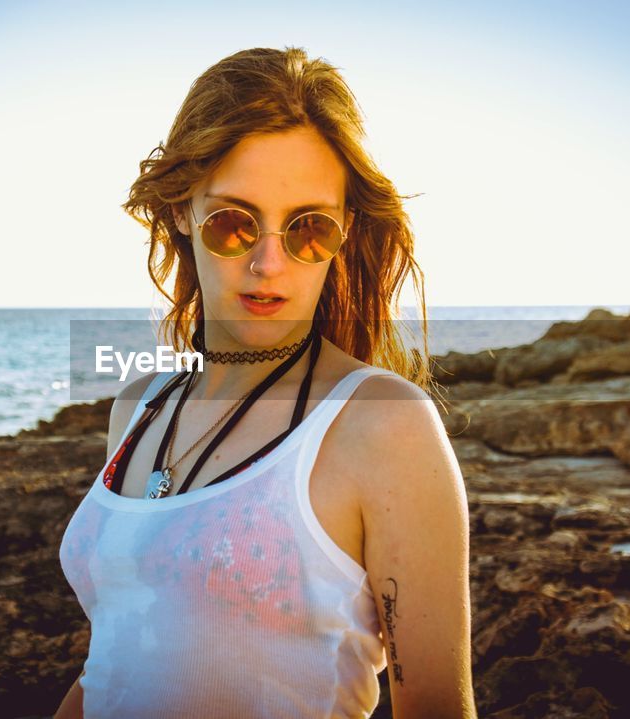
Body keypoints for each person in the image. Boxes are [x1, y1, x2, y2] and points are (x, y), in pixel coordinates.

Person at [55, 46, 476, 718]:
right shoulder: (139, 407)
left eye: (309, 228)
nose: (268, 263)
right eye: (233, 221)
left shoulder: (384, 424)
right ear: (182, 212)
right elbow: (114, 660)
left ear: (343, 233)